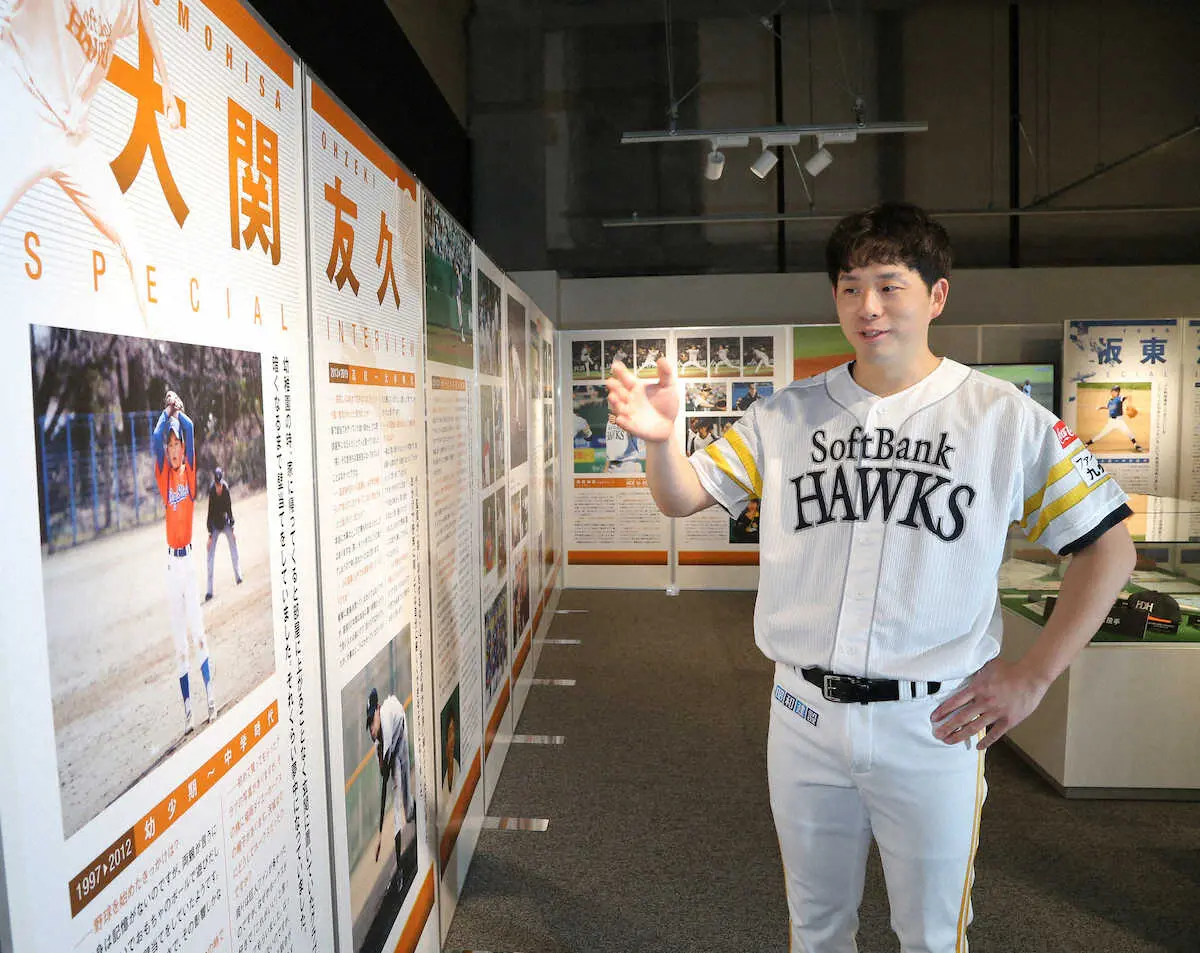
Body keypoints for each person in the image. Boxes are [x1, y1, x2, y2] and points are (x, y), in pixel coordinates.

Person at [606, 202, 1136, 953]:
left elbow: (1110, 549)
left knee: (930, 935)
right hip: (803, 711)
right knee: (816, 927)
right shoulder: (787, 413)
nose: (869, 307)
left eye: (890, 285)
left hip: (933, 719)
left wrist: (1034, 676)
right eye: (851, 288)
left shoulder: (1002, 416)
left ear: (937, 295)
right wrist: (662, 443)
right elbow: (681, 496)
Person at [0, 0, 181, 327]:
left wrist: (166, 83)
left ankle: (160, 336)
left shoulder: (125, 6)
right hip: (26, 99)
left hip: (74, 137)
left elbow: (143, 14)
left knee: (135, 247)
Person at [152, 390, 216, 732]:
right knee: (179, 642)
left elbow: (190, 429)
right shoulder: (164, 478)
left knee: (197, 631)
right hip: (170, 567)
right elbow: (155, 437)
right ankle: (189, 710)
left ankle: (210, 696)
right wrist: (166, 415)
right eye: (171, 445)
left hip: (188, 564)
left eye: (177, 445)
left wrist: (177, 408)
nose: (175, 449)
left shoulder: (188, 476)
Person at [367, 688, 418, 894]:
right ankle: (399, 867)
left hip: (400, 738)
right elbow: (384, 773)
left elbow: (384, 784)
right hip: (392, 748)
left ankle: (416, 810)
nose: (371, 728)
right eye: (369, 724)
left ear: (378, 710)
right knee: (399, 809)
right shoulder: (377, 739)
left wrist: (380, 833)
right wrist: (382, 762)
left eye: (372, 721)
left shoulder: (386, 723)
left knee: (406, 809)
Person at [205, 467, 242, 600]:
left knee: (234, 545)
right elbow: (209, 513)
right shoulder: (212, 491)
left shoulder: (225, 489)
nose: (219, 486)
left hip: (225, 522)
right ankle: (209, 591)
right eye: (217, 484)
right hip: (215, 525)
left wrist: (232, 528)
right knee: (210, 555)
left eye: (220, 484)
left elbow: (229, 509)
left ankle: (238, 576)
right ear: (215, 483)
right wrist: (210, 535)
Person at [1086, 385, 1143, 452]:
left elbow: (1129, 396)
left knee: (1128, 432)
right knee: (1102, 434)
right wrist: (1100, 407)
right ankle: (1087, 443)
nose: (1115, 392)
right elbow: (1107, 407)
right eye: (1114, 391)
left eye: (1116, 391)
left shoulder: (1120, 398)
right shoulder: (1110, 401)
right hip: (1111, 422)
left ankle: (1136, 445)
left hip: (1119, 421)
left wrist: (1129, 405)